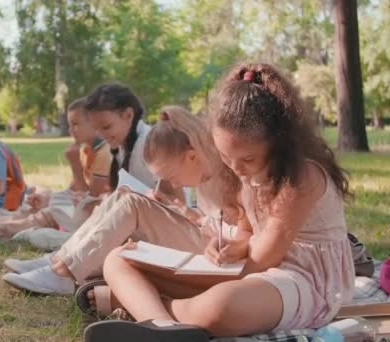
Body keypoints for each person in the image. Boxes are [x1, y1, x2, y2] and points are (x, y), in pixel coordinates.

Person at [91, 63, 355, 339]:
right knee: (117, 259)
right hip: (253, 272)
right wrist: (232, 246)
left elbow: (264, 259)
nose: (237, 169)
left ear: (279, 142)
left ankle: (146, 306)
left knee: (220, 307)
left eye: (248, 159)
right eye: (226, 158)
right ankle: (163, 328)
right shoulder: (243, 171)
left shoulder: (302, 177)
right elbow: (247, 232)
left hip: (302, 279)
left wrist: (193, 277)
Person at [1, 105, 227, 297]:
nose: (175, 184)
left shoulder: (224, 177)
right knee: (124, 194)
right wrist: (175, 207)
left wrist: (189, 215)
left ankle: (65, 273)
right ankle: (60, 261)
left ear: (192, 156)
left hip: (212, 251)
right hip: (201, 237)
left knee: (133, 204)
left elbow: (228, 232)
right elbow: (206, 217)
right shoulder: (204, 172)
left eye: (172, 176)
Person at [0, 97, 112, 242]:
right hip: (82, 205)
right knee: (40, 205)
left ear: (94, 123)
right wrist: (50, 197)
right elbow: (75, 188)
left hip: (97, 212)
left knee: (48, 213)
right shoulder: (85, 149)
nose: (70, 130)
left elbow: (91, 201)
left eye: (76, 124)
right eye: (69, 124)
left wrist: (74, 165)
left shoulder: (104, 153)